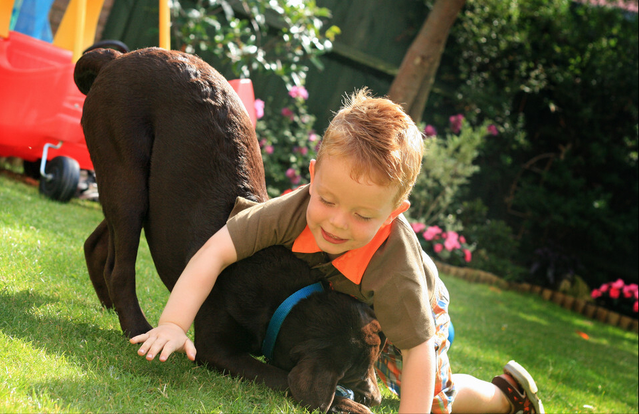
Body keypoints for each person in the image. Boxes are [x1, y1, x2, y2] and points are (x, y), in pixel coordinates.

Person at [130, 89, 544, 414]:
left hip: (415, 303)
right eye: (326, 200)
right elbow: (217, 251)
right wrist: (173, 323)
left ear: (392, 215)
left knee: (434, 399)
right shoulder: (292, 210)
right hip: (349, 289)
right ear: (312, 177)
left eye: (363, 214)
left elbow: (419, 353)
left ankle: (504, 398)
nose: (336, 223)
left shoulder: (397, 275)